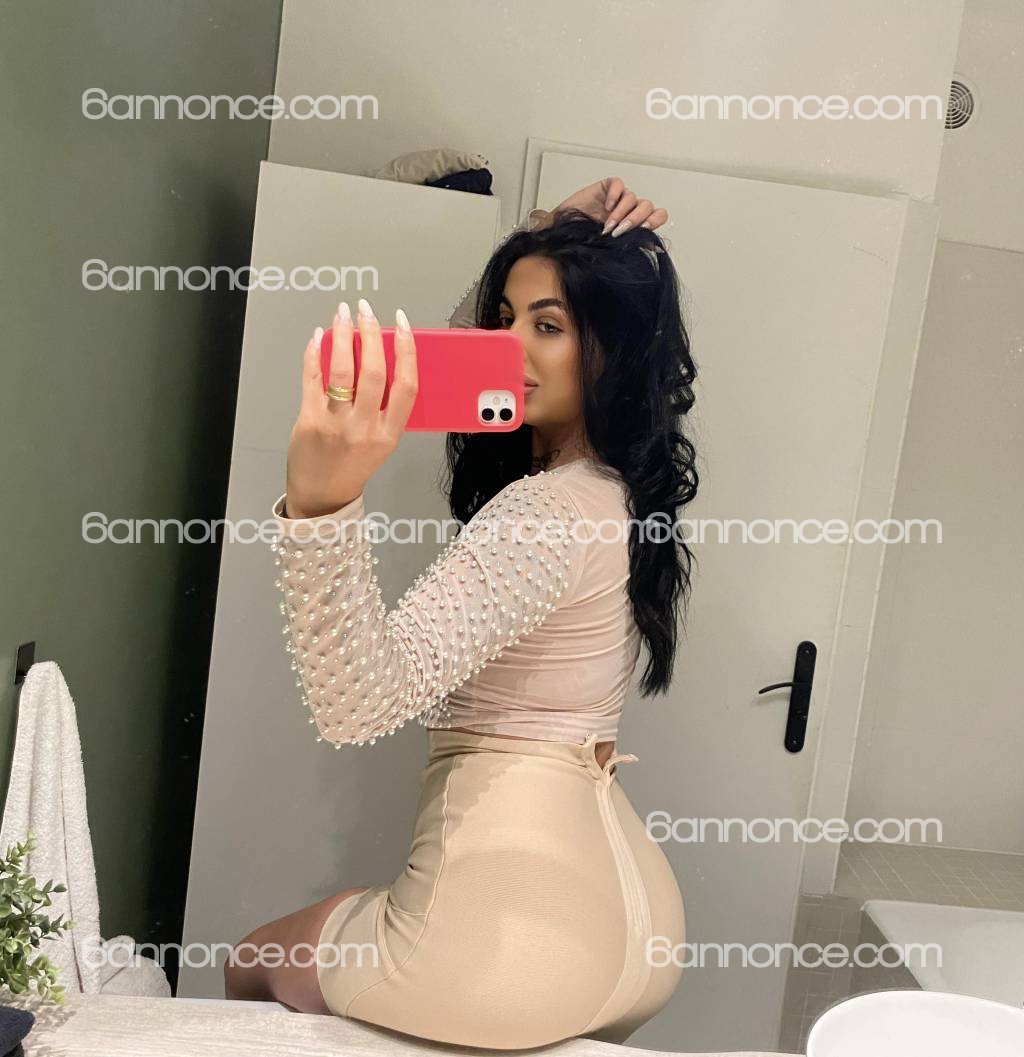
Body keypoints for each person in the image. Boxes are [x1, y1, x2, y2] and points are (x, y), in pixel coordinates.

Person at [224, 178, 700, 1049]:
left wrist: (319, 506)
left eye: (549, 326)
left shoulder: (543, 512)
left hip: (514, 944)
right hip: (637, 927)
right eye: (503, 320)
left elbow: (357, 702)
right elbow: (470, 363)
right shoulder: (620, 495)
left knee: (252, 959)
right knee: (336, 922)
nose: (508, 347)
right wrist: (547, 229)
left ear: (614, 350)